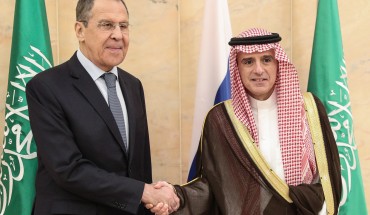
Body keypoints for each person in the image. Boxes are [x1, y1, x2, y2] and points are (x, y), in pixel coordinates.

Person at [148, 28, 342, 215]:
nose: (258, 70)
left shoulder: (309, 109)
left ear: (278, 64)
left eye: (266, 59)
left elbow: (329, 176)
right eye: (248, 62)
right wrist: (177, 197)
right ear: (237, 68)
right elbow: (214, 186)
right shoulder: (222, 118)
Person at [26, 0, 178, 214]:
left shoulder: (133, 85)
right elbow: (67, 168)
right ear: (80, 30)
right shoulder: (46, 87)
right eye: (107, 25)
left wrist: (155, 200)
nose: (118, 35)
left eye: (123, 26)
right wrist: (144, 192)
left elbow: (139, 168)